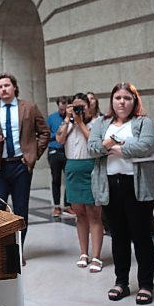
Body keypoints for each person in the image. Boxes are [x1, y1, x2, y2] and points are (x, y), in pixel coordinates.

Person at [88, 82, 154, 305]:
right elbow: (92, 148)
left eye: (127, 98)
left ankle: (146, 285)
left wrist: (114, 148)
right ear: (112, 100)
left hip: (138, 187)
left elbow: (146, 146)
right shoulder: (102, 123)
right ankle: (121, 282)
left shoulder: (143, 122)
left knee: (141, 237)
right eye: (118, 97)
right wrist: (111, 142)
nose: (122, 101)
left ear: (134, 100)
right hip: (110, 186)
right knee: (119, 237)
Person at [0, 73, 50, 263]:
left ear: (14, 87)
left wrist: (33, 155)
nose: (3, 89)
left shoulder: (29, 107)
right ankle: (0, 250)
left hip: (20, 166)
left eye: (6, 85)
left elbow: (44, 132)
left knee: (20, 210)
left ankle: (18, 250)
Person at [56, 93, 103, 273]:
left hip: (90, 168)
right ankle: (84, 253)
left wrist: (80, 121)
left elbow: (93, 142)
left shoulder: (95, 123)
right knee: (79, 213)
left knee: (94, 214)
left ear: (88, 106)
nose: (77, 110)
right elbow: (59, 139)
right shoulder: (68, 123)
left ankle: (97, 255)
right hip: (72, 169)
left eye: (81, 106)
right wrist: (68, 119)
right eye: (74, 106)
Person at [46, 96, 72, 217]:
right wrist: (57, 134)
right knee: (56, 179)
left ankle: (68, 205)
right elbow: (46, 134)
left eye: (64, 108)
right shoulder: (51, 118)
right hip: (54, 151)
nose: (63, 111)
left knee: (69, 179)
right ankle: (56, 206)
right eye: (61, 108)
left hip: (68, 151)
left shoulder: (72, 118)